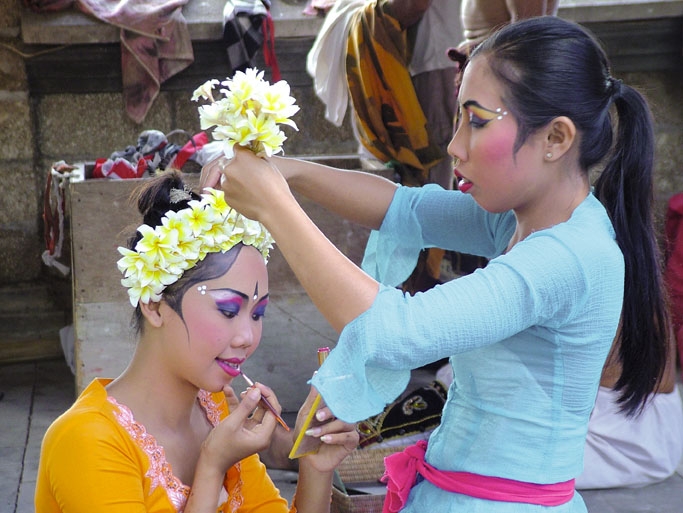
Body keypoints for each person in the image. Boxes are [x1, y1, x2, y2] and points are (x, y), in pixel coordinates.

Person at [202, 15, 670, 512]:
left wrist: (276, 206)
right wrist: (290, 173)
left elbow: (395, 331)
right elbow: (405, 209)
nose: (454, 146)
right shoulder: (528, 219)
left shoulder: (567, 257)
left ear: (555, 139)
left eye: (477, 121)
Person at [35, 171, 359, 513]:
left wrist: (315, 464)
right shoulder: (87, 439)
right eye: (227, 310)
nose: (247, 337)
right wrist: (212, 466)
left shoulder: (216, 410)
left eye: (258, 313)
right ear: (154, 305)